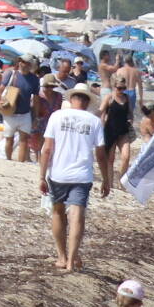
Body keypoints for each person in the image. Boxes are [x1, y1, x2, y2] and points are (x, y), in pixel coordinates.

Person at [38, 85, 104, 273]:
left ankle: (62, 256)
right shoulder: (94, 121)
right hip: (82, 175)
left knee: (58, 212)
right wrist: (107, 179)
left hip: (59, 173)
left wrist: (42, 176)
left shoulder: (57, 116)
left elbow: (47, 149)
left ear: (72, 98)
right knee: (77, 216)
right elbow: (100, 154)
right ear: (87, 101)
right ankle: (71, 260)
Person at [0, 58, 39, 162]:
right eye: (22, 62)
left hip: (25, 113)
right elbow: (0, 90)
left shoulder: (34, 79)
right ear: (19, 63)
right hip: (10, 112)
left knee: (24, 140)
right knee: (9, 139)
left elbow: (36, 99)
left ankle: (20, 163)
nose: (24, 64)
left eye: (27, 63)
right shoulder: (11, 74)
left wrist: (35, 116)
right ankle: (9, 159)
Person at [99, 75, 134, 199]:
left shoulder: (127, 98)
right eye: (119, 88)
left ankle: (121, 181)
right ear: (114, 87)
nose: (121, 90)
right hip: (110, 130)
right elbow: (101, 111)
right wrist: (100, 125)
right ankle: (109, 182)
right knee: (110, 158)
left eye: (123, 88)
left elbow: (130, 113)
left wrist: (131, 120)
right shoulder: (109, 97)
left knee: (126, 156)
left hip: (123, 131)